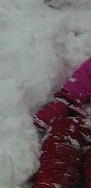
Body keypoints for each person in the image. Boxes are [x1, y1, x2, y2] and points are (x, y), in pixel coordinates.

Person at [32, 58, 91, 187]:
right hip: (86, 126)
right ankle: (51, 184)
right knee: (64, 130)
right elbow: (87, 75)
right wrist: (66, 99)